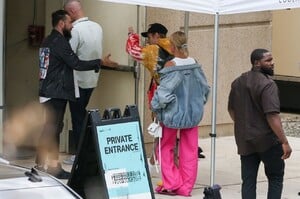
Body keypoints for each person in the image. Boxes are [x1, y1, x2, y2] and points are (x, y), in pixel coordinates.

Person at [36, 9, 117, 179]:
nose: (72, 27)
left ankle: (42, 163)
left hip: (47, 90)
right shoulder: (59, 42)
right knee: (53, 128)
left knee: (51, 127)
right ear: (61, 24)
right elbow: (76, 64)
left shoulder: (48, 40)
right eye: (70, 23)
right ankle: (52, 167)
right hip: (55, 91)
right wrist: (100, 62)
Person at [151, 31, 210, 196]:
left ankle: (171, 183)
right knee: (190, 151)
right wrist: (197, 104)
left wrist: (155, 107)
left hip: (172, 115)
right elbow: (205, 89)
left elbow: (163, 94)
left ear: (171, 46)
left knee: (165, 148)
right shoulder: (195, 63)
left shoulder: (171, 65)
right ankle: (185, 187)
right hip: (192, 116)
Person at [228, 48, 292, 199]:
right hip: (267, 141)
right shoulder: (268, 84)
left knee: (248, 181)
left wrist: (244, 125)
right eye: (268, 61)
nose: (272, 63)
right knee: (275, 178)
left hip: (246, 140)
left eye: (272, 59)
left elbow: (231, 109)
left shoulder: (238, 82)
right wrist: (284, 141)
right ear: (257, 63)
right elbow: (272, 116)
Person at [63, 0, 103, 165]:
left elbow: (68, 55)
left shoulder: (76, 30)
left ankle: (80, 155)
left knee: (78, 117)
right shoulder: (97, 26)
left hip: (77, 80)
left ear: (71, 12)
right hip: (92, 79)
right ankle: (86, 151)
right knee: (82, 114)